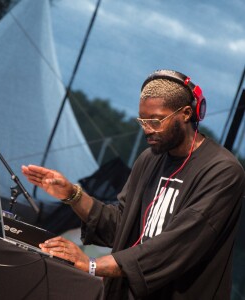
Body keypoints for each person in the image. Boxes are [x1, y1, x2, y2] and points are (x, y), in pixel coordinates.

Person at [22, 70, 245, 300]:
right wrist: (72, 195)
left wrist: (91, 264)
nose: (147, 129)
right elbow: (121, 226)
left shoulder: (222, 171)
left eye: (156, 121)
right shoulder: (149, 159)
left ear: (187, 113)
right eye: (142, 120)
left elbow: (178, 244)